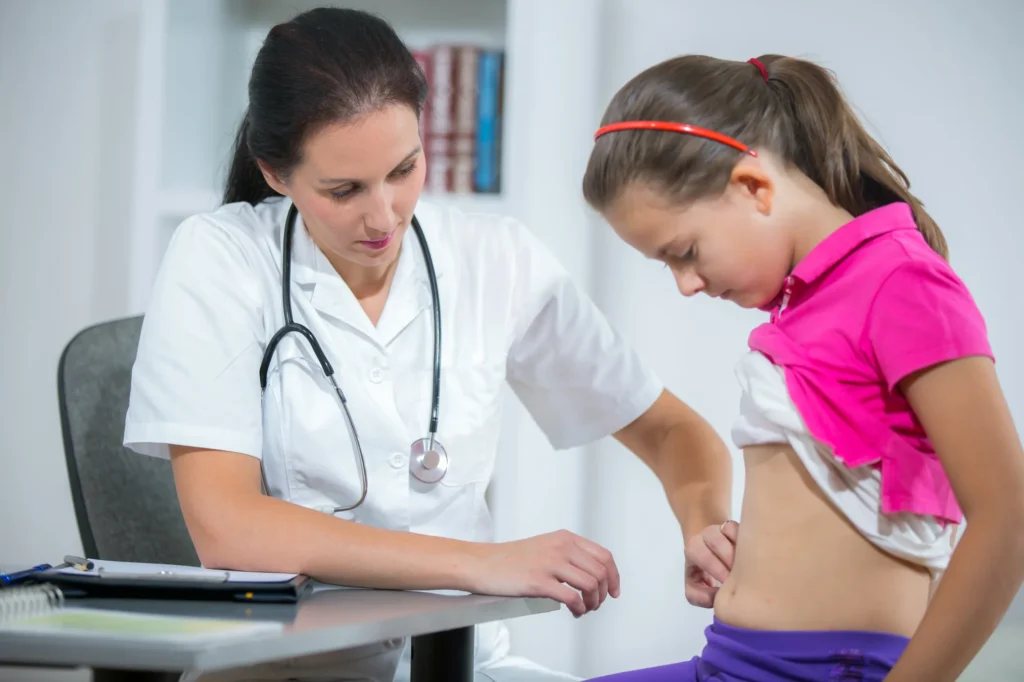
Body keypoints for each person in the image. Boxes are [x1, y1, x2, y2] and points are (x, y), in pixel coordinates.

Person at [122, 8, 735, 682]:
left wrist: (705, 522)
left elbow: (672, 429)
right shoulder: (221, 257)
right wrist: (482, 563)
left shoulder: (492, 257)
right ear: (275, 173)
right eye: (343, 189)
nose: (383, 215)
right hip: (284, 665)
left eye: (404, 168)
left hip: (459, 661)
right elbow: (228, 528)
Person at [581, 53, 1024, 681]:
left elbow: (1009, 519)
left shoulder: (902, 282)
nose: (684, 284)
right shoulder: (807, 304)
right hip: (731, 661)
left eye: (684, 253)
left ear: (754, 187)